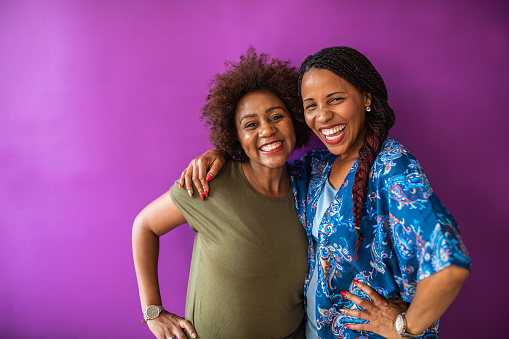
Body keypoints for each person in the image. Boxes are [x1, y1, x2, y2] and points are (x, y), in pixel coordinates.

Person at [179, 46, 471, 338]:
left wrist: (405, 327)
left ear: (366, 97)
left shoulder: (391, 168)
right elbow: (266, 168)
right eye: (311, 106)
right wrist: (221, 152)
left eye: (336, 100)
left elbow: (448, 264)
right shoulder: (316, 169)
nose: (323, 116)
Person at [132, 48, 311, 339]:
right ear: (236, 138)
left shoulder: (310, 187)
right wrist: (153, 311)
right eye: (251, 124)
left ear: (294, 120)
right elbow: (144, 225)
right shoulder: (211, 183)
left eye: (277, 117)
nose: (267, 130)